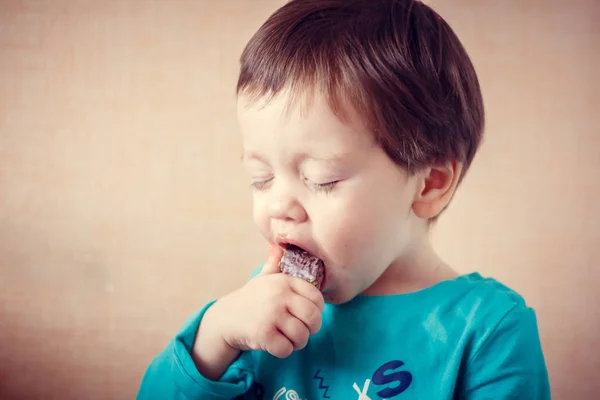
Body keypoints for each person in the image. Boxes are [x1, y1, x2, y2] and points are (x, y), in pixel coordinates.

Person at [137, 0, 551, 398]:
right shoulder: (258, 311)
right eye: (260, 178)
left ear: (429, 185)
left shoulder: (488, 331)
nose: (279, 206)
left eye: (321, 179)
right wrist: (214, 336)